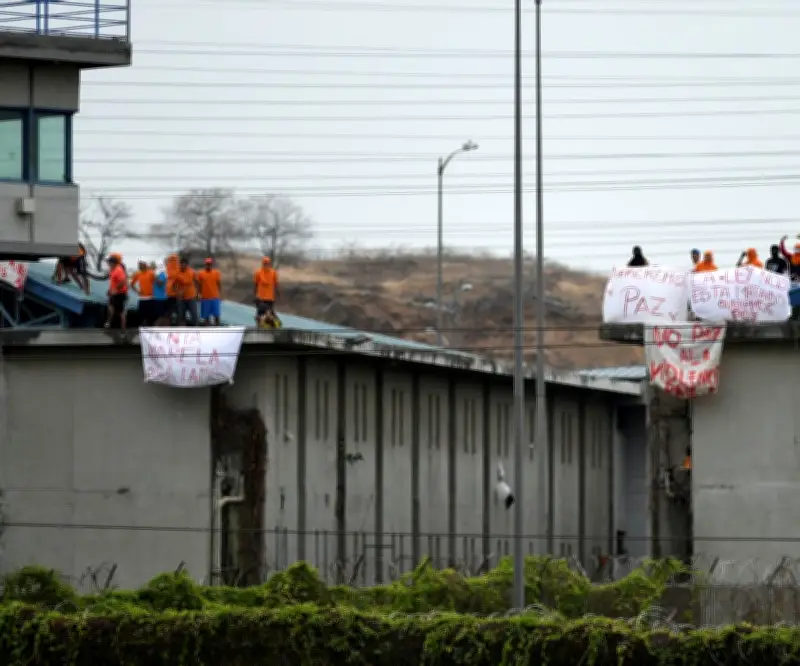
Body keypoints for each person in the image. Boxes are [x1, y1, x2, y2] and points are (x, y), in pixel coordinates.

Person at [104, 253, 128, 332]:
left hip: (120, 294)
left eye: (109, 263)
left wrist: (115, 289)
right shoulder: (112, 270)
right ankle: (108, 322)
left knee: (121, 312)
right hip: (113, 293)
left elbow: (123, 282)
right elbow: (113, 282)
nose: (108, 264)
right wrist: (109, 290)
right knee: (110, 307)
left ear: (113, 263)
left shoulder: (119, 270)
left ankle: (123, 331)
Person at [253, 256, 279, 325]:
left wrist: (255, 294)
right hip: (262, 298)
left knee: (264, 313)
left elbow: (255, 285)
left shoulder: (260, 272)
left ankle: (268, 324)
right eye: (265, 263)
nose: (266, 265)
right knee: (264, 313)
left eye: (267, 263)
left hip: (267, 298)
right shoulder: (259, 272)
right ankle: (264, 325)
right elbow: (256, 284)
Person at [197, 258, 222, 326]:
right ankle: (207, 330)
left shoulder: (216, 273)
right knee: (206, 317)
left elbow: (219, 284)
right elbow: (199, 285)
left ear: (212, 265)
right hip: (205, 298)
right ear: (205, 265)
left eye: (210, 264)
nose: (208, 265)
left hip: (215, 298)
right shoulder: (201, 273)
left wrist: (221, 295)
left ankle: (218, 329)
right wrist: (198, 294)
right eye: (207, 264)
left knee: (217, 316)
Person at [174, 256, 198, 326]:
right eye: (181, 264)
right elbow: (174, 285)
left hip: (191, 297)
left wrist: (197, 293)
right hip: (181, 299)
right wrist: (177, 293)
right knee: (181, 317)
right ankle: (182, 330)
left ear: (187, 264)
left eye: (183, 264)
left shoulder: (192, 272)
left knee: (194, 316)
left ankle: (196, 330)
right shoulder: (177, 273)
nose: (182, 265)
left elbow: (197, 283)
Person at [130, 260, 156, 325]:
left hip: (151, 298)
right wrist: (137, 291)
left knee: (151, 316)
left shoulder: (151, 273)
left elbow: (156, 284)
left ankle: (150, 328)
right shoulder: (137, 274)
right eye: (139, 265)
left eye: (141, 265)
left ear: (145, 265)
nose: (139, 266)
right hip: (142, 298)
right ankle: (143, 327)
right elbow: (132, 284)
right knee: (142, 316)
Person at [165, 254, 180, 323]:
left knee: (170, 313)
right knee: (176, 312)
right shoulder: (176, 269)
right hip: (172, 294)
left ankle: (172, 322)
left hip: (172, 294)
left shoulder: (168, 269)